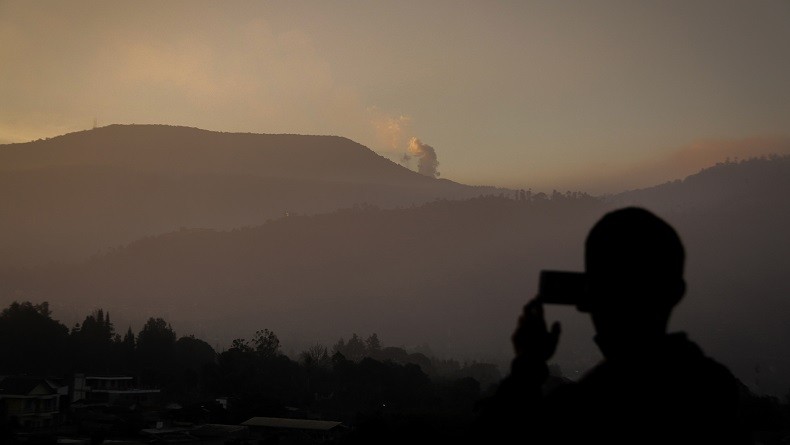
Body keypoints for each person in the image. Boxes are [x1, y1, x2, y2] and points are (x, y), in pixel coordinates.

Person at [471, 207, 750, 444]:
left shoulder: (582, 410)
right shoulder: (713, 390)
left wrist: (527, 366)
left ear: (588, 295)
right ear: (676, 292)